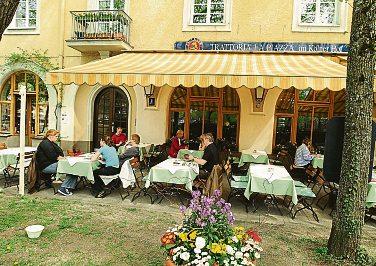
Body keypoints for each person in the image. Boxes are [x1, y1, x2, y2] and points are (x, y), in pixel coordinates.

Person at [35, 129, 77, 196]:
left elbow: (58, 154)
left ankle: (68, 187)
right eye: (56, 136)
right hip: (46, 166)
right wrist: (61, 158)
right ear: (50, 136)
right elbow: (52, 156)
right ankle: (64, 188)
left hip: (51, 163)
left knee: (74, 167)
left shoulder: (51, 143)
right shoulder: (45, 143)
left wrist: (61, 157)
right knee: (72, 168)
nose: (57, 138)